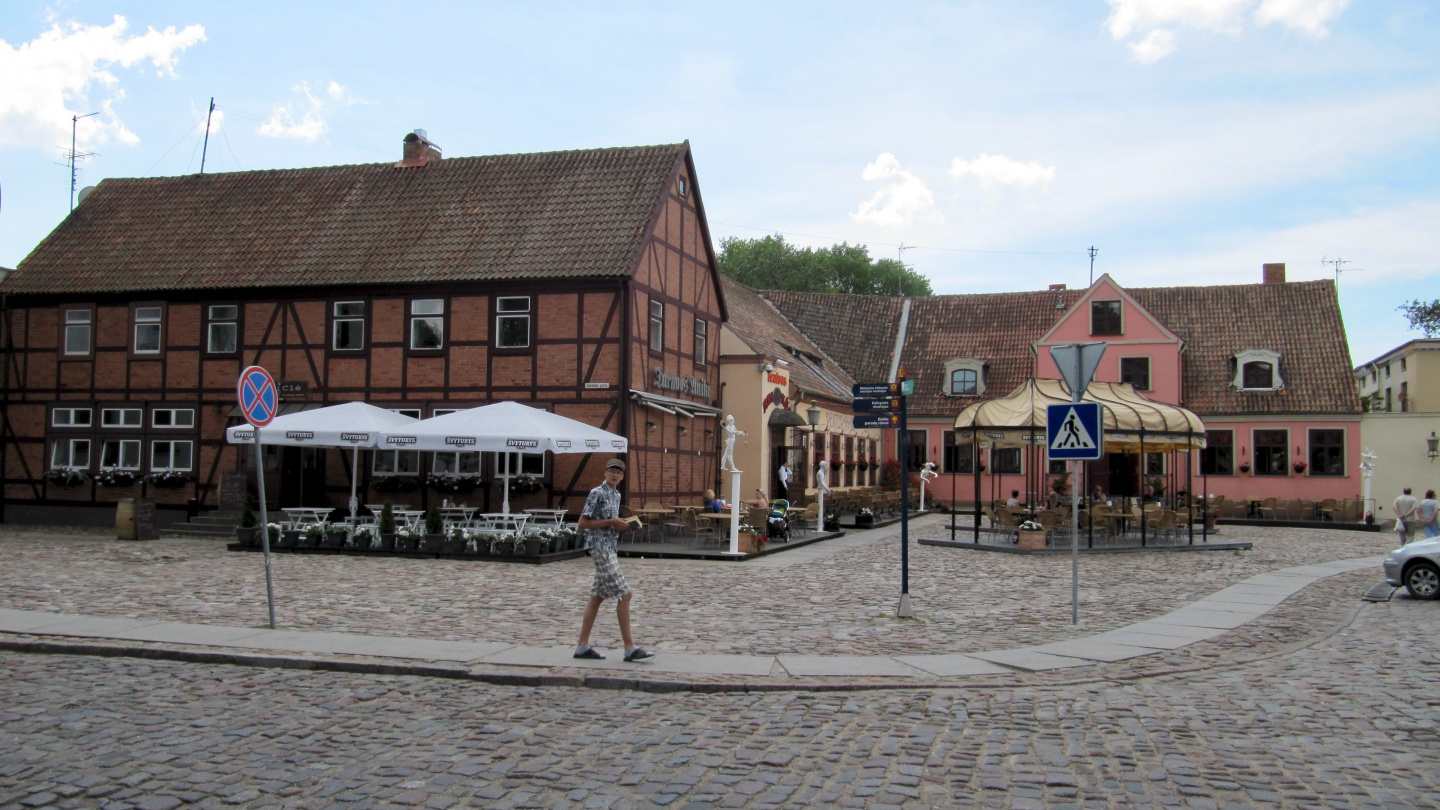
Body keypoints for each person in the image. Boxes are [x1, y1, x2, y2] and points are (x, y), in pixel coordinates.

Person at [574, 458, 653, 663]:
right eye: (612, 471)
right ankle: (629, 648)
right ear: (605, 472)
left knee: (597, 595)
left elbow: (611, 524)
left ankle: (582, 646)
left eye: (619, 472)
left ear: (623, 476)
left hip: (610, 547)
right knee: (625, 595)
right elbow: (582, 523)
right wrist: (612, 522)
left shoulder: (616, 495)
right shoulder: (596, 493)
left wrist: (623, 526)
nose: (615, 474)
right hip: (599, 548)